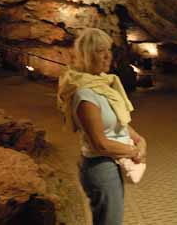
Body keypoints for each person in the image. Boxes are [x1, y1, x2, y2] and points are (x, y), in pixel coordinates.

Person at [57, 28, 147, 225]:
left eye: (109, 50)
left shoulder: (103, 84)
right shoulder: (84, 94)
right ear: (86, 55)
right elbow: (100, 144)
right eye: (100, 51)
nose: (107, 56)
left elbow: (119, 123)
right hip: (100, 165)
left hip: (113, 161)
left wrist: (140, 139)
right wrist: (132, 150)